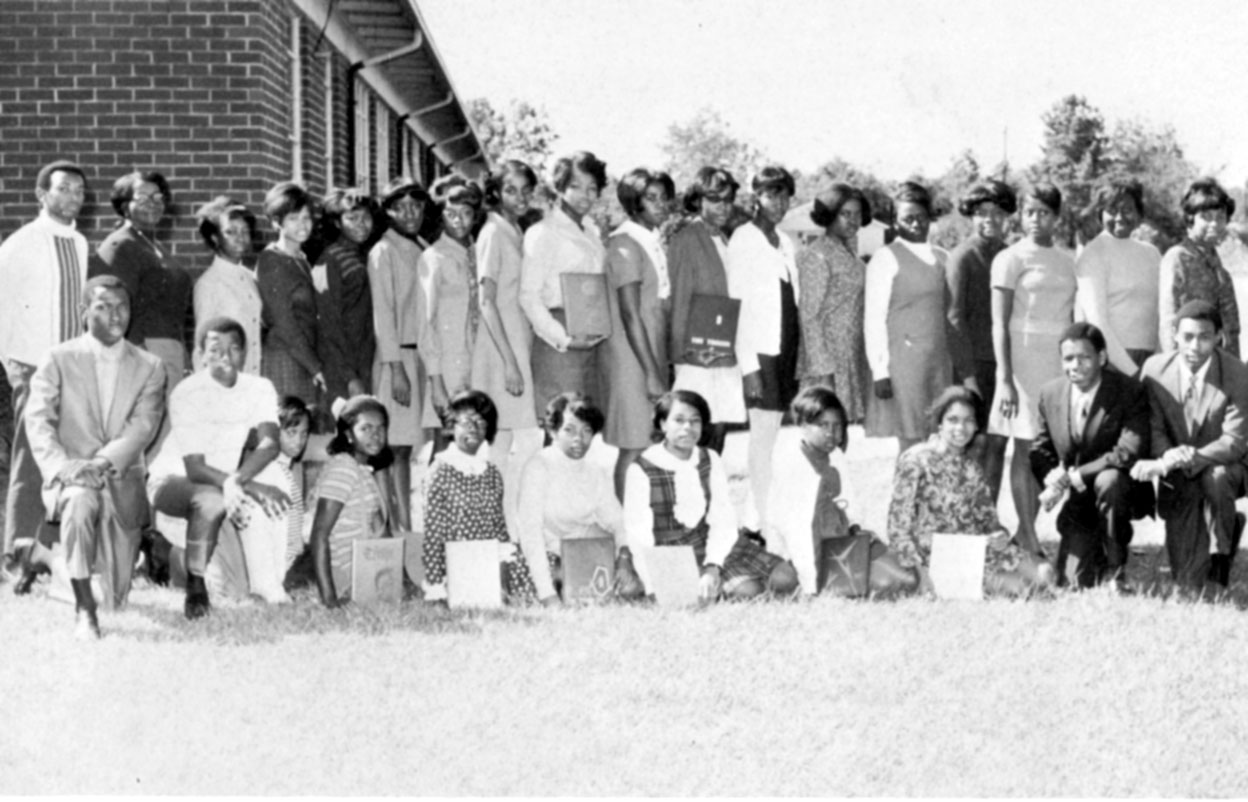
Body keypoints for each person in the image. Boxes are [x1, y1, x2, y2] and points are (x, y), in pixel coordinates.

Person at [24, 276, 165, 636]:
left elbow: (143, 427)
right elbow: (38, 421)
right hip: (71, 478)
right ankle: (84, 608)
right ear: (83, 312)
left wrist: (99, 463)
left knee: (116, 599)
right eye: (103, 307)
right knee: (79, 500)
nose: (116, 316)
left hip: (120, 480)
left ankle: (43, 555)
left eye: (122, 307)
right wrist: (63, 468)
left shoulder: (150, 366)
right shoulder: (57, 358)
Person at [148, 316, 291, 618]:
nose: (225, 357)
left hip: (223, 487)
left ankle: (265, 581)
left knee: (236, 589)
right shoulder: (188, 392)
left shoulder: (259, 387)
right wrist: (248, 485)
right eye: (215, 350)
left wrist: (237, 481)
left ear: (244, 353)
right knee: (210, 500)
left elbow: (269, 444)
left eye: (233, 348)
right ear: (200, 355)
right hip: (175, 484)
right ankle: (189, 578)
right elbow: (195, 468)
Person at [0, 160, 89, 580]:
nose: (73, 197)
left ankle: (50, 549)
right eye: (64, 188)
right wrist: (11, 365)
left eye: (79, 191)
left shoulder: (80, 243)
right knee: (30, 457)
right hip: (32, 366)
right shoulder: (21, 244)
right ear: (42, 194)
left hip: (71, 366)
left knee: (65, 456)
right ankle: (17, 552)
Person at [623, 390, 797, 601]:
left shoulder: (709, 458)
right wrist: (653, 584)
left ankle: (718, 580)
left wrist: (713, 565)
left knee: (786, 578)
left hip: (711, 541)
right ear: (662, 424)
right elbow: (638, 534)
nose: (687, 427)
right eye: (679, 420)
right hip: (670, 551)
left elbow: (722, 519)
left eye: (695, 421)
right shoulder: (642, 468)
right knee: (749, 591)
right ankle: (712, 587)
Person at [887, 386, 1051, 596]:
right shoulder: (915, 460)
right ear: (940, 423)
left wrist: (999, 535)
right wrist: (921, 573)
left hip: (976, 549)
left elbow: (989, 521)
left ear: (976, 426)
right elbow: (897, 530)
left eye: (968, 420)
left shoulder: (971, 467)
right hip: (935, 557)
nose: (960, 427)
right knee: (1020, 588)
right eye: (953, 420)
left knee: (1046, 573)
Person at [1131, 301, 1248, 590]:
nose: (1195, 346)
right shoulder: (1154, 370)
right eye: (1188, 337)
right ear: (1174, 335)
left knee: (1217, 478)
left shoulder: (1238, 374)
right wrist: (1168, 454)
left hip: (1224, 464)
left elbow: (1234, 442)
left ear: (1219, 337)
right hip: (1177, 471)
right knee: (1186, 579)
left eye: (1205, 337)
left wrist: (1186, 458)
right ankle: (1228, 526)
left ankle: (1221, 555)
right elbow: (1153, 426)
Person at [987, 182, 1077, 556]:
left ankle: (1025, 533)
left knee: (1046, 451)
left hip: (1057, 365)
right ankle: (1027, 535)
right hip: (1021, 364)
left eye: (1044, 212)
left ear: (1057, 217)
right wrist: (1004, 379)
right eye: (1029, 212)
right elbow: (998, 324)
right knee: (1024, 446)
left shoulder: (1068, 261)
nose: (1036, 219)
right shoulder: (1009, 259)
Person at [1031, 323, 1152, 590]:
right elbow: (1039, 449)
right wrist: (1051, 476)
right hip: (1079, 501)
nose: (1075, 365)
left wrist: (1074, 476)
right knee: (1072, 582)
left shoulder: (1129, 391)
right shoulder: (1050, 393)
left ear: (1102, 357)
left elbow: (1128, 452)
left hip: (1118, 490)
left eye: (1084, 357)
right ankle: (1093, 549)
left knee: (1110, 481)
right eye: (1068, 358)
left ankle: (1115, 571)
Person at [765, 386, 917, 598]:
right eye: (823, 425)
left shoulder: (835, 455)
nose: (831, 432)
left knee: (907, 578)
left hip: (841, 542)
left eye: (837, 426)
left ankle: (847, 581)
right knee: (782, 579)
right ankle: (833, 584)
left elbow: (849, 501)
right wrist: (810, 585)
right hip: (804, 551)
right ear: (803, 425)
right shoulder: (790, 462)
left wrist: (856, 531)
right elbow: (794, 531)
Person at [470, 161, 542, 534]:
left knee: (511, 439)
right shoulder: (492, 232)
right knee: (511, 441)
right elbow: (486, 301)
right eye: (511, 190)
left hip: (518, 342)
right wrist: (510, 363)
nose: (520, 198)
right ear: (496, 193)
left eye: (526, 190)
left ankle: (505, 526)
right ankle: (500, 526)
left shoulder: (515, 229)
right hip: (501, 349)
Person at [727, 166, 800, 531]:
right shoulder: (744, 238)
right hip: (760, 351)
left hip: (785, 347)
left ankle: (756, 518)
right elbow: (736, 304)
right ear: (756, 197)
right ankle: (760, 519)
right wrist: (750, 367)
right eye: (771, 195)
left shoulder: (784, 241)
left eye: (784, 196)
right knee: (762, 435)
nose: (779, 203)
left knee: (773, 435)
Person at [865, 181, 961, 456]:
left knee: (940, 440)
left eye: (921, 216)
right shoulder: (886, 258)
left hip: (940, 360)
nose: (916, 224)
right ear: (895, 221)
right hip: (905, 362)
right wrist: (880, 371)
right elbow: (874, 318)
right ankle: (905, 486)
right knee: (912, 441)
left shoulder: (943, 256)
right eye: (908, 218)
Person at [422, 390, 534, 603]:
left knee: (544, 567)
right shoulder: (439, 471)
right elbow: (433, 536)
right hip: (457, 564)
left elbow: (499, 529)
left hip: (490, 560)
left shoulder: (491, 472)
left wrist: (503, 577)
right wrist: (436, 587)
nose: (473, 429)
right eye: (466, 422)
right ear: (451, 426)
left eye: (481, 422)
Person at [519, 151, 609, 418]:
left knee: (587, 423)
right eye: (575, 186)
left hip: (592, 338)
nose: (585, 195)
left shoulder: (592, 233)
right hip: (559, 340)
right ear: (560, 187)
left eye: (592, 188)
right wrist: (564, 339)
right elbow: (529, 296)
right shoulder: (543, 232)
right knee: (561, 422)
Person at [603, 168, 674, 498]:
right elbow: (630, 314)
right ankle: (627, 524)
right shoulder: (625, 244)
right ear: (634, 202)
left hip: (651, 354)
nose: (661, 205)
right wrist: (651, 373)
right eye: (651, 198)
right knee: (634, 445)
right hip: (633, 359)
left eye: (664, 197)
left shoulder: (651, 240)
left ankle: (646, 519)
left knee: (650, 443)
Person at [667, 166, 747, 454]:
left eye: (728, 199)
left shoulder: (725, 239)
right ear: (697, 200)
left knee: (718, 434)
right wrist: (685, 352)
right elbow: (679, 301)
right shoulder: (686, 239)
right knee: (695, 436)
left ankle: (712, 484)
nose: (723, 207)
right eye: (714, 199)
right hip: (697, 355)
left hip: (724, 350)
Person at [516, 392, 623, 604]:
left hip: (586, 550)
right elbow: (530, 533)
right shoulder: (538, 466)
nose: (579, 439)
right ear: (553, 431)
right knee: (574, 587)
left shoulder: (595, 470)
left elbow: (617, 520)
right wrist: (547, 595)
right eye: (569, 430)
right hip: (549, 558)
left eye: (586, 430)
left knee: (632, 585)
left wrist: (625, 556)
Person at [946, 178, 1017, 495]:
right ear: (971, 216)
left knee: (998, 444)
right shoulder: (963, 257)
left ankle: (989, 515)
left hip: (1004, 367)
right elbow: (954, 320)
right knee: (972, 445)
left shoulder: (1010, 255)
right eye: (982, 213)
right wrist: (969, 377)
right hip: (974, 368)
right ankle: (965, 516)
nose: (990, 220)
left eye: (998, 213)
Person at [90, 170, 192, 389]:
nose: (152, 203)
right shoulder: (120, 246)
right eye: (143, 198)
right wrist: (140, 361)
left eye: (158, 197)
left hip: (170, 351)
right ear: (125, 206)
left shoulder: (154, 246)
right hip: (141, 352)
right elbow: (113, 310)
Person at [369, 178, 430, 533]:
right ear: (388, 211)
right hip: (398, 360)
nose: (410, 214)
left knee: (407, 449)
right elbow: (384, 314)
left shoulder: (421, 247)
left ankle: (403, 525)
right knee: (395, 448)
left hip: (419, 358)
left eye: (416, 206)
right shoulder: (384, 251)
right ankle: (398, 528)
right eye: (401, 207)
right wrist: (396, 370)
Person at [795, 182, 872, 423]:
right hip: (827, 361)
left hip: (850, 357)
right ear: (829, 215)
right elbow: (809, 316)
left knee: (841, 430)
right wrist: (823, 372)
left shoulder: (850, 254)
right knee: (823, 429)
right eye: (845, 214)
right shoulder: (817, 255)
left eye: (857, 214)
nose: (853, 220)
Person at [310, 395, 392, 608]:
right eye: (366, 428)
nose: (376, 435)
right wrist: (330, 600)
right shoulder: (343, 468)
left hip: (366, 570)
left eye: (381, 428)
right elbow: (319, 535)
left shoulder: (362, 469)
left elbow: (382, 533)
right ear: (348, 434)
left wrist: (400, 581)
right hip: (345, 578)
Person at [1074, 178, 1161, 375]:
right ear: (1101, 214)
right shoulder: (1093, 254)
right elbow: (1097, 321)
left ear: (1139, 213)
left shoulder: (1152, 253)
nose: (1120, 217)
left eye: (1127, 210)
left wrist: (1157, 365)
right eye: (1112, 210)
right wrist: (1133, 373)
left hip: (1151, 362)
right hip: (1110, 361)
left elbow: (1160, 313)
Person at [419, 177, 484, 430]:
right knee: (446, 435)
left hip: (479, 361)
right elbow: (426, 323)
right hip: (447, 364)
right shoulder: (433, 258)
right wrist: (436, 382)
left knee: (475, 434)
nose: (458, 221)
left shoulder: (480, 254)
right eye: (451, 214)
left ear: (475, 217)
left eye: (466, 213)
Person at [257, 181, 325, 405]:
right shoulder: (272, 260)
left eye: (306, 217)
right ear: (277, 222)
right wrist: (316, 368)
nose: (303, 225)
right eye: (294, 218)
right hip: (285, 358)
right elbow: (284, 323)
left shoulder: (301, 259)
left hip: (305, 358)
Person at [1158, 178, 1239, 358]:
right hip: (1190, 360)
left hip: (1220, 363)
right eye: (1206, 217)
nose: (1214, 224)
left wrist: (1235, 370)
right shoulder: (1178, 258)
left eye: (1220, 217)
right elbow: (1169, 321)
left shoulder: (1219, 266)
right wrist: (1176, 367)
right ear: (1190, 220)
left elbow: (1232, 330)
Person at [313, 189, 377, 412]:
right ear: (337, 223)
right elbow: (327, 325)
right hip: (343, 367)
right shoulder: (331, 259)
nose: (361, 224)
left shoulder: (363, 255)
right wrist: (349, 376)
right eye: (352, 218)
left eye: (366, 217)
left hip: (365, 360)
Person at [192, 197, 262, 375]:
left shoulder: (250, 277)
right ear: (215, 237)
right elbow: (202, 343)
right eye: (231, 232)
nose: (240, 238)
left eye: (245, 231)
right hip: (225, 378)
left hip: (252, 377)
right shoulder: (208, 283)